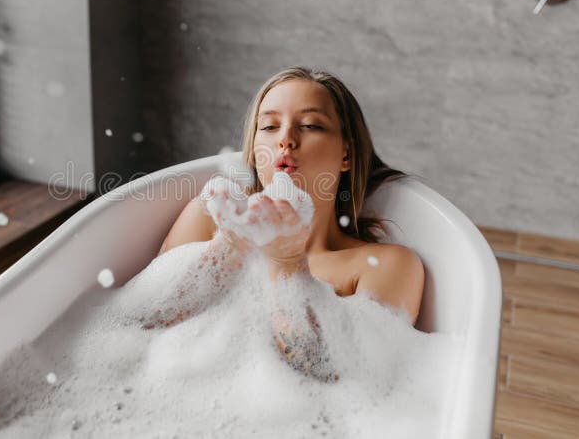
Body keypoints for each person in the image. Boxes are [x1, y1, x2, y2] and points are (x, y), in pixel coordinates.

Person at [154, 66, 426, 380]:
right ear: (254, 152)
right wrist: (227, 252)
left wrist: (287, 264)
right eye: (269, 126)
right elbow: (145, 327)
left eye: (311, 125)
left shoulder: (382, 265)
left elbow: (344, 379)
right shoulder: (209, 217)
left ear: (346, 153)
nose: (286, 139)